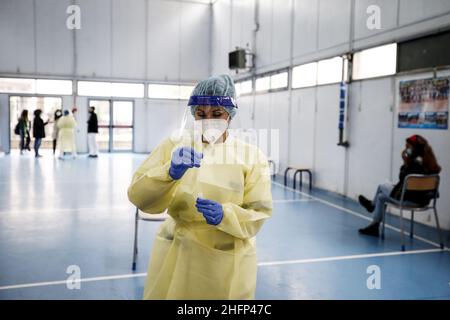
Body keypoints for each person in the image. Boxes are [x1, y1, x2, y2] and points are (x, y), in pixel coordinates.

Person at [127, 75, 273, 300]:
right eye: (201, 114)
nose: (208, 121)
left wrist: (227, 215)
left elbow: (259, 212)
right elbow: (138, 195)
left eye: (217, 114)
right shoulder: (175, 146)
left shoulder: (251, 157)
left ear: (230, 115)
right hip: (177, 250)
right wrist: (169, 173)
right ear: (193, 114)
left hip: (226, 258)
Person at [358, 134, 441, 237]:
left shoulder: (414, 164)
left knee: (382, 185)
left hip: (408, 199)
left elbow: (402, 178)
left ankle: (371, 206)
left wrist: (405, 162)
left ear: (414, 149)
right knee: (381, 197)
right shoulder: (430, 163)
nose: (406, 149)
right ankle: (374, 226)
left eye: (407, 147)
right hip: (423, 201)